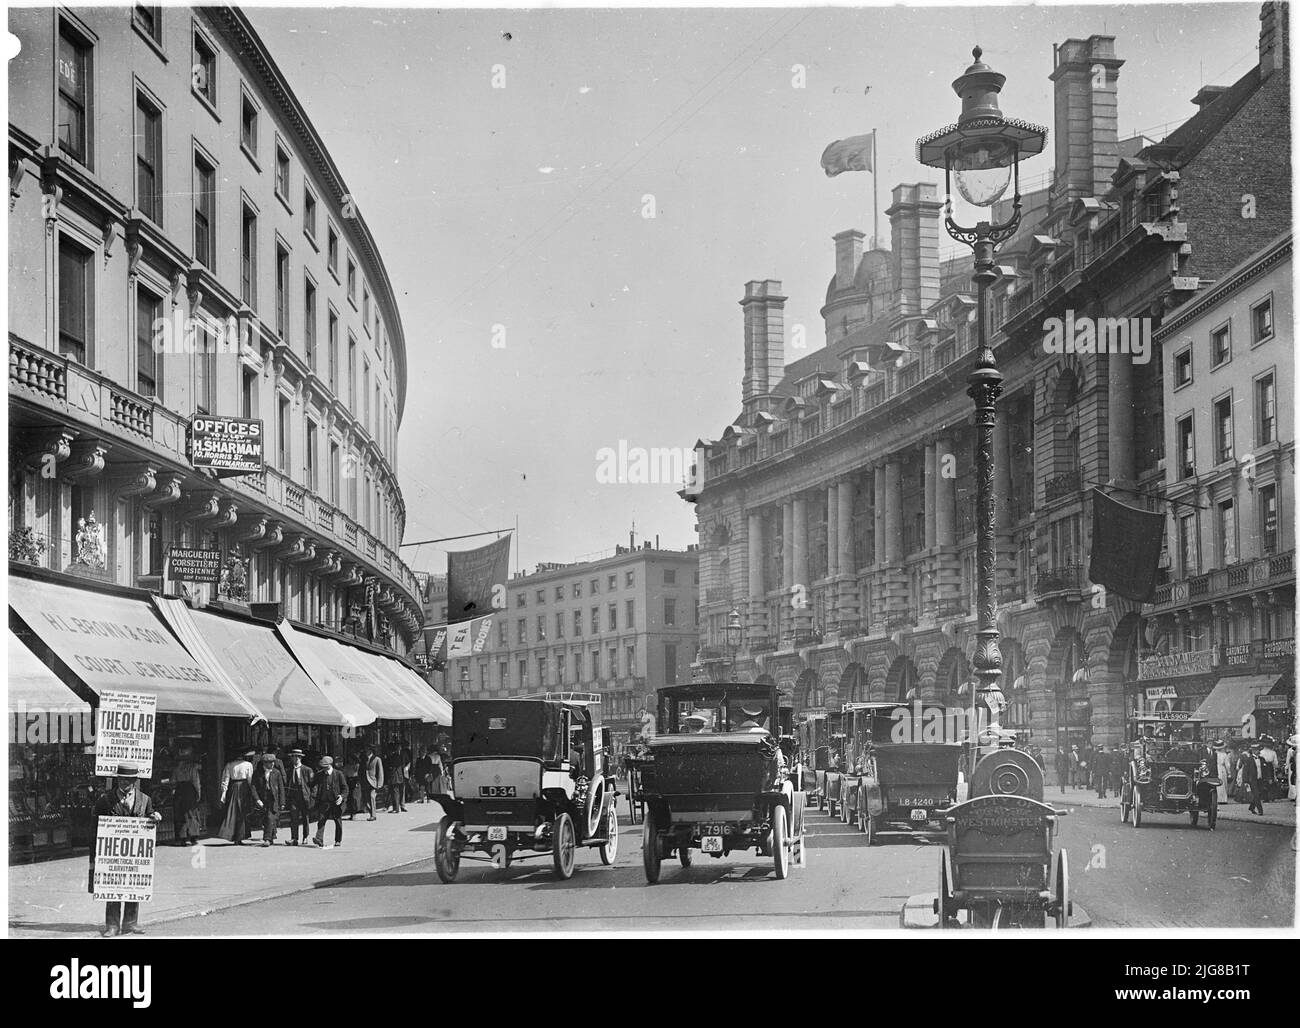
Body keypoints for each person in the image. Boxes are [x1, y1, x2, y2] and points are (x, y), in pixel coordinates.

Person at [89, 764, 162, 937]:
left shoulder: (145, 799)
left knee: (134, 885)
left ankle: (130, 923)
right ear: (117, 780)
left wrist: (154, 817)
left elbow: (150, 817)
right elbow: (94, 824)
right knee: (113, 886)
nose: (125, 783)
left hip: (134, 853)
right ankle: (112, 925)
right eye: (122, 780)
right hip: (112, 853)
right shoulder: (105, 800)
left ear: (135, 781)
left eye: (129, 780)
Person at [218, 748, 257, 845]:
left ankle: (233, 836)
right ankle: (240, 836)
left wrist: (223, 793)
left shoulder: (229, 765)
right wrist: (253, 792)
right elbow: (250, 779)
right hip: (244, 788)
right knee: (242, 812)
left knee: (233, 812)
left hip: (233, 788)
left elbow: (225, 779)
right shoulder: (248, 765)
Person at [251, 751, 286, 847]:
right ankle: (272, 836)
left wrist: (282, 802)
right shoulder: (257, 773)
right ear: (264, 763)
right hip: (263, 798)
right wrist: (257, 800)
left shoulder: (276, 772)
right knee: (267, 818)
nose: (273, 764)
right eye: (270, 762)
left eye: (273, 762)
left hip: (274, 799)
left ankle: (267, 839)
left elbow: (281, 788)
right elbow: (253, 787)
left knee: (270, 817)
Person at [311, 756, 348, 847]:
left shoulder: (338, 774)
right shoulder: (319, 774)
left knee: (338, 821)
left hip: (335, 802)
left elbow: (345, 788)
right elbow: (313, 784)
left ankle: (338, 840)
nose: (323, 768)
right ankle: (319, 839)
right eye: (322, 766)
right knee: (321, 820)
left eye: (325, 766)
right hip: (324, 801)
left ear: (330, 765)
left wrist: (342, 797)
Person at [170, 747, 203, 847]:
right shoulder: (192, 768)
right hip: (190, 790)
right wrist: (198, 793)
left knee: (180, 813)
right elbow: (196, 782)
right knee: (191, 813)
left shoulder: (176, 769)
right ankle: (193, 837)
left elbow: (172, 781)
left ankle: (182, 837)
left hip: (180, 790)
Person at [285, 748, 315, 845]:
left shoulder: (307, 770)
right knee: (294, 817)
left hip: (304, 796)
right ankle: (294, 838)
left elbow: (313, 785)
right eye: (294, 757)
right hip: (293, 796)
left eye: (298, 757)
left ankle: (305, 836)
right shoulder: (289, 771)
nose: (296, 759)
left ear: (301, 758)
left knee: (305, 817)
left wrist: (312, 797)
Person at [1238, 744, 1263, 816]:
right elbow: (1245, 771)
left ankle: (1251, 807)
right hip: (1252, 780)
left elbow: (1264, 769)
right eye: (1255, 750)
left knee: (1259, 794)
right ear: (1253, 751)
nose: (1257, 751)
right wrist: (1245, 781)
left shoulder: (1261, 759)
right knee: (1256, 795)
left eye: (1258, 749)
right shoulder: (1249, 760)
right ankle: (1260, 811)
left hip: (1260, 779)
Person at [362, 745, 384, 821]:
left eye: (367, 750)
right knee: (365, 799)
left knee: (372, 797)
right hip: (365, 782)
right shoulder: (363, 759)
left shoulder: (377, 759)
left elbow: (380, 772)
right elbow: (361, 771)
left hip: (373, 782)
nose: (365, 752)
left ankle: (373, 815)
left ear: (370, 751)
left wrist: (379, 783)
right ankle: (371, 812)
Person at [387, 743, 409, 813]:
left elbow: (408, 762)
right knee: (395, 791)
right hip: (396, 776)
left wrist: (407, 769)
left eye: (399, 748)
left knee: (402, 791)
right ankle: (396, 807)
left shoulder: (404, 754)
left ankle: (402, 806)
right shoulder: (393, 756)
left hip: (403, 775)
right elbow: (391, 766)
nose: (398, 749)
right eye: (397, 748)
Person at [1213, 740, 1231, 804]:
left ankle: (1217, 798)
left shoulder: (1214, 753)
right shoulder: (1224, 755)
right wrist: (1229, 773)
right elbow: (1227, 765)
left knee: (1216, 784)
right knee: (1223, 783)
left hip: (1215, 768)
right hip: (1222, 769)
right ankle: (1223, 799)